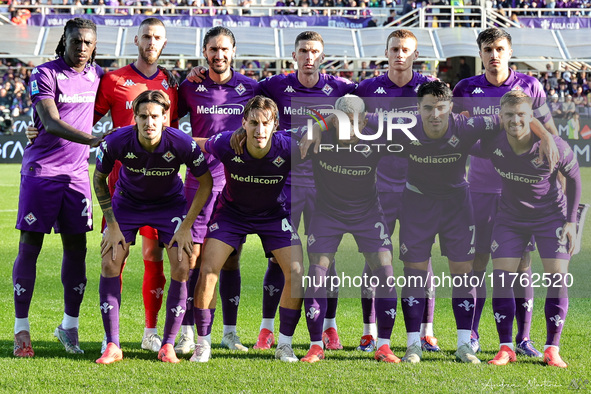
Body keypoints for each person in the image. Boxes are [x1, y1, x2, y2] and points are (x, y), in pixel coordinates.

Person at [391, 80, 556, 364]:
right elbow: (352, 116)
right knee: (414, 272)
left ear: (452, 107)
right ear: (417, 109)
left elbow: (512, 116)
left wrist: (546, 135)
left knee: (464, 271)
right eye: (428, 108)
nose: (434, 115)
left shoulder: (468, 126)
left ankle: (464, 344)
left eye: (441, 108)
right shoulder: (402, 126)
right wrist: (319, 128)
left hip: (457, 205)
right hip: (417, 204)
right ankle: (412, 345)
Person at [452, 27, 559, 356]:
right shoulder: (466, 88)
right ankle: (471, 334)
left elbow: (549, 132)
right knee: (478, 262)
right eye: (487, 49)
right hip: (480, 189)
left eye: (499, 48)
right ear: (480, 54)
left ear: (509, 52)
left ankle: (522, 339)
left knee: (522, 263)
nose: (494, 54)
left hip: (521, 191)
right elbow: (457, 135)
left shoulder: (530, 85)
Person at [93, 90, 213, 364]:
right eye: (144, 116)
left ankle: (168, 345)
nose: (149, 122)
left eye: (155, 117)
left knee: (183, 264)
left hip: (169, 205)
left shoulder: (181, 143)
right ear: (134, 117)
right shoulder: (117, 141)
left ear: (165, 118)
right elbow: (99, 179)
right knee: (110, 262)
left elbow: (205, 182)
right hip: (127, 202)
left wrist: (186, 226)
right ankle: (112, 344)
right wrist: (111, 224)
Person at [255, 31, 356, 351]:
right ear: (294, 55)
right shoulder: (274, 86)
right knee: (277, 259)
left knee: (327, 261)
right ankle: (266, 329)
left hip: (327, 188)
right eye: (303, 51)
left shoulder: (340, 88)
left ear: (322, 56)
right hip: (284, 186)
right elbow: (241, 88)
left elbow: (369, 95)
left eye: (314, 51)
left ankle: (330, 327)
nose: (309, 56)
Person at [13, 17, 103, 358]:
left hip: (77, 175)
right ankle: (22, 329)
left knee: (77, 248)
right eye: (76, 41)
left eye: (88, 42)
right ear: (63, 41)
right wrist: (94, 139)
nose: (81, 48)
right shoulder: (45, 73)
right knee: (30, 245)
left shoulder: (97, 75)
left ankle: (69, 326)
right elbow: (49, 121)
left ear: (95, 46)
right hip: (42, 172)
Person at [191, 95, 304, 363]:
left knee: (297, 272)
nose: (259, 130)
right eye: (253, 123)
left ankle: (284, 345)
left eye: (266, 123)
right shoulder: (227, 143)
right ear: (244, 123)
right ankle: (202, 343)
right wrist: (164, 136)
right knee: (208, 269)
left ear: (275, 125)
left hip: (273, 214)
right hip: (232, 214)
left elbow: (325, 130)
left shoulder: (289, 146)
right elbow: (197, 144)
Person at [472, 91, 581, 368]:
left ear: (531, 117)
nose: (515, 120)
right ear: (501, 116)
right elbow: (462, 138)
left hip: (551, 218)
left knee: (557, 278)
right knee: (501, 278)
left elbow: (575, 178)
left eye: (521, 114)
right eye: (509, 115)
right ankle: (506, 347)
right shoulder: (492, 143)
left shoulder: (552, 145)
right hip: (509, 218)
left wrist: (571, 222)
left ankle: (552, 348)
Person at [93, 17, 179, 354]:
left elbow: (178, 124)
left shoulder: (171, 82)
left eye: (157, 37)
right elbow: (87, 116)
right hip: (120, 188)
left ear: (164, 43)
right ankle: (110, 335)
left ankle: (150, 330)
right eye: (146, 36)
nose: (151, 42)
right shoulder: (114, 80)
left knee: (152, 256)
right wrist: (41, 131)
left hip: (161, 187)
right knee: (114, 257)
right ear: (136, 40)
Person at [175, 26, 260, 355]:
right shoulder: (191, 86)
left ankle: (229, 331)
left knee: (230, 260)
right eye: (212, 49)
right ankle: (185, 331)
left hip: (237, 186)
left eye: (224, 49)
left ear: (234, 52)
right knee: (191, 259)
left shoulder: (251, 88)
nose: (219, 55)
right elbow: (166, 113)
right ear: (204, 53)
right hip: (198, 183)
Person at [354, 29, 439, 354]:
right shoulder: (367, 88)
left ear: (414, 54)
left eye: (406, 49)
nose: (400, 54)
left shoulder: (430, 89)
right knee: (375, 258)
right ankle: (368, 332)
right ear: (386, 52)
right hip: (378, 188)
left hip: (422, 189)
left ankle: (427, 331)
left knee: (421, 260)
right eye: (395, 49)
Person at [298, 95, 399, 363]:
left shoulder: (377, 135)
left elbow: (411, 127)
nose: (347, 128)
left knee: (385, 268)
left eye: (354, 123)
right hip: (328, 212)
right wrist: (319, 124)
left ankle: (385, 345)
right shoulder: (317, 132)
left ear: (364, 122)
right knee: (317, 270)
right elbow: (287, 131)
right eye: (341, 121)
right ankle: (316, 345)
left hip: (367, 212)